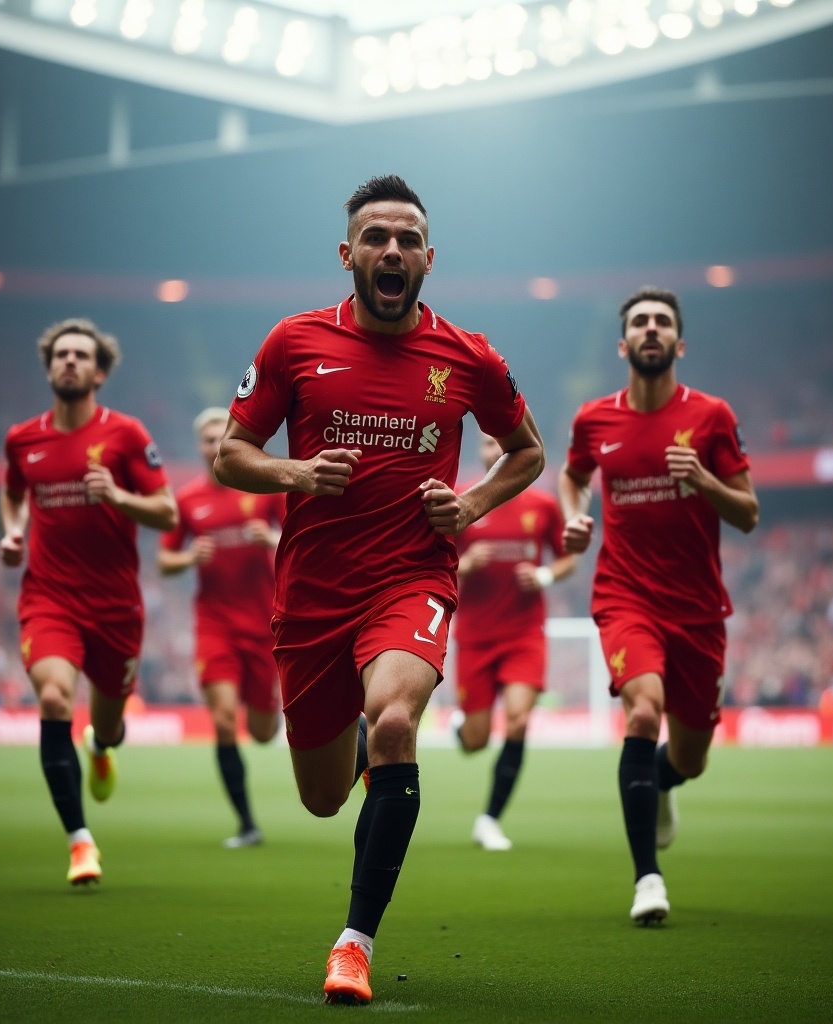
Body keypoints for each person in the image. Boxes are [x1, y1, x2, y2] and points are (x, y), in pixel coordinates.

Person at [214, 175, 544, 1004]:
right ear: (348, 254)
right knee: (324, 799)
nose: (390, 251)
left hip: (411, 575)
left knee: (394, 719)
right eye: (375, 237)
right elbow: (230, 454)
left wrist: (469, 504)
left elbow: (528, 452)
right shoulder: (294, 342)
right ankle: (362, 752)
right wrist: (295, 472)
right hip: (313, 593)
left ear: (429, 258)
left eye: (406, 240)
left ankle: (354, 943)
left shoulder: (469, 358)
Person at [558, 286, 758, 924]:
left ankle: (664, 784)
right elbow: (571, 475)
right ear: (623, 344)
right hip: (625, 596)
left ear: (678, 342)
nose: (650, 330)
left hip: (698, 610)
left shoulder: (712, 417)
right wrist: (574, 516)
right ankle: (648, 877)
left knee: (691, 758)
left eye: (662, 323)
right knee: (642, 712)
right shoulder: (595, 419)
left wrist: (703, 480)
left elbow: (749, 514)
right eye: (640, 322)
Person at [0, 318, 177, 886]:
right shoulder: (22, 439)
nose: (70, 362)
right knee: (54, 699)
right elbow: (12, 493)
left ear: (99, 371)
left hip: (116, 607)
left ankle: (101, 744)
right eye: (61, 355)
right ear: (49, 367)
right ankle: (80, 842)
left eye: (81, 355)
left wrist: (119, 496)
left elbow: (169, 513)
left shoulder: (125, 435)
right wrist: (13, 531)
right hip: (49, 598)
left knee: (111, 725)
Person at [158, 407, 284, 849]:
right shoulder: (188, 499)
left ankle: (272, 720)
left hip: (265, 625)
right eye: (208, 440)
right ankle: (247, 823)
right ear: (199, 446)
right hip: (215, 625)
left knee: (265, 733)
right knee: (225, 721)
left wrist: (271, 539)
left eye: (221, 437)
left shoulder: (264, 490)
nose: (215, 445)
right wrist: (190, 557)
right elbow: (164, 559)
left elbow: (302, 540)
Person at [453, 433, 577, 851]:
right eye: (489, 445)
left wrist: (544, 576)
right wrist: (463, 566)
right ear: (481, 452)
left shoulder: (541, 506)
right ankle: (463, 728)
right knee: (476, 740)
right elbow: (428, 561)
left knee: (520, 720)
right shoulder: (461, 500)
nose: (497, 451)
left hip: (524, 634)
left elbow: (567, 557)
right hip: (475, 636)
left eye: (503, 445)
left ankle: (489, 819)